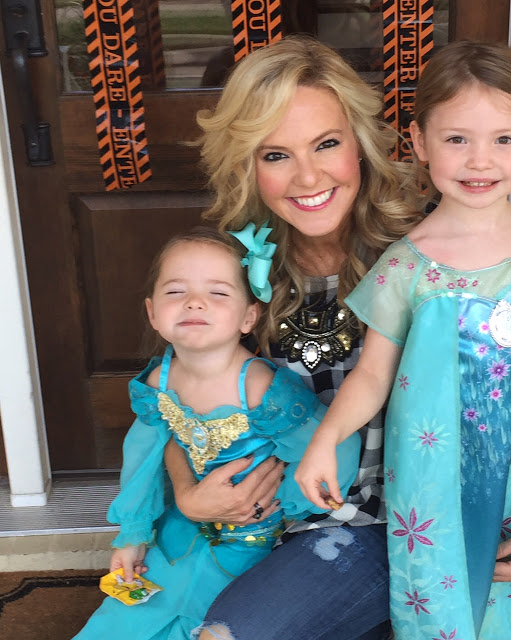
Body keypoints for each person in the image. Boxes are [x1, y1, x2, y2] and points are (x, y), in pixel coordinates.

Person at [164, 36, 511, 640]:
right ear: (245, 165)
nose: (308, 176)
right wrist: (187, 496)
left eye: (326, 144)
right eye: (275, 154)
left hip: (397, 526)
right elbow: (170, 396)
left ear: (361, 143)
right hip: (268, 523)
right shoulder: (231, 266)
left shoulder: (439, 246)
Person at [295, 40, 511, 640]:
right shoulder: (405, 266)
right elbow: (373, 375)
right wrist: (326, 439)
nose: (479, 161)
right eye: (457, 138)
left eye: (503, 139)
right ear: (419, 141)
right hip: (430, 479)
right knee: (436, 610)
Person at [72, 225, 360, 640]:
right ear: (152, 312)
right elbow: (142, 457)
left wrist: (287, 505)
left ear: (248, 317)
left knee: (208, 620)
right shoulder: (159, 381)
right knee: (127, 619)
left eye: (218, 293)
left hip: (251, 540)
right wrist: (132, 535)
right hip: (181, 528)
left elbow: (333, 445)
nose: (194, 302)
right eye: (176, 291)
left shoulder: (259, 388)